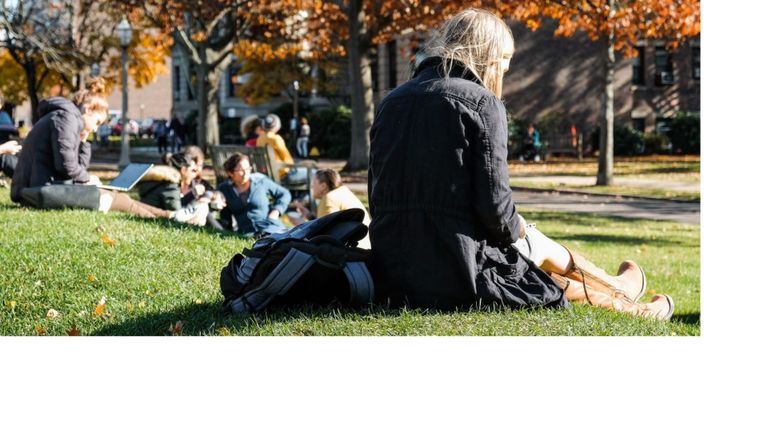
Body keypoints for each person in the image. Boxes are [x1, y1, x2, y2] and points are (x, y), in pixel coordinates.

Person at [368, 8, 673, 319]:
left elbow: (377, 196)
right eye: (503, 65)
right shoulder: (482, 103)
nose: (503, 74)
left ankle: (617, 287)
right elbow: (497, 213)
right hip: (458, 271)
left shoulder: (390, 102)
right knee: (534, 249)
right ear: (487, 56)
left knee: (530, 250)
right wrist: (518, 226)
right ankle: (628, 302)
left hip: (394, 268)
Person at [9, 77, 202, 224]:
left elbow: (74, 167)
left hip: (39, 188)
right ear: (88, 109)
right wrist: (87, 179)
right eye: (97, 122)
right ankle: (169, 217)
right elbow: (66, 166)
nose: (95, 128)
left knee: (116, 195)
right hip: (36, 191)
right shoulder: (66, 117)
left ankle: (171, 215)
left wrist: (83, 141)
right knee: (108, 196)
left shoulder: (67, 120)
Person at [291, 168, 371, 249]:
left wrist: (302, 225)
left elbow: (324, 237)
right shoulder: (343, 191)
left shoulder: (329, 198)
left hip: (352, 251)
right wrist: (309, 216)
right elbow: (331, 224)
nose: (312, 187)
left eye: (313, 184)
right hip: (363, 245)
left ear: (323, 186)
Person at [217, 153, 291, 237]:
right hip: (247, 233)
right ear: (230, 173)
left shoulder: (260, 181)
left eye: (248, 169)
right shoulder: (225, 189)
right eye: (241, 170)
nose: (246, 173)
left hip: (271, 227)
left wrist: (276, 210)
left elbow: (285, 193)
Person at [255, 114, 294, 179]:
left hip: (266, 173)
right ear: (277, 126)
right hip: (281, 174)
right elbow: (288, 160)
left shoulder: (259, 139)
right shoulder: (276, 138)